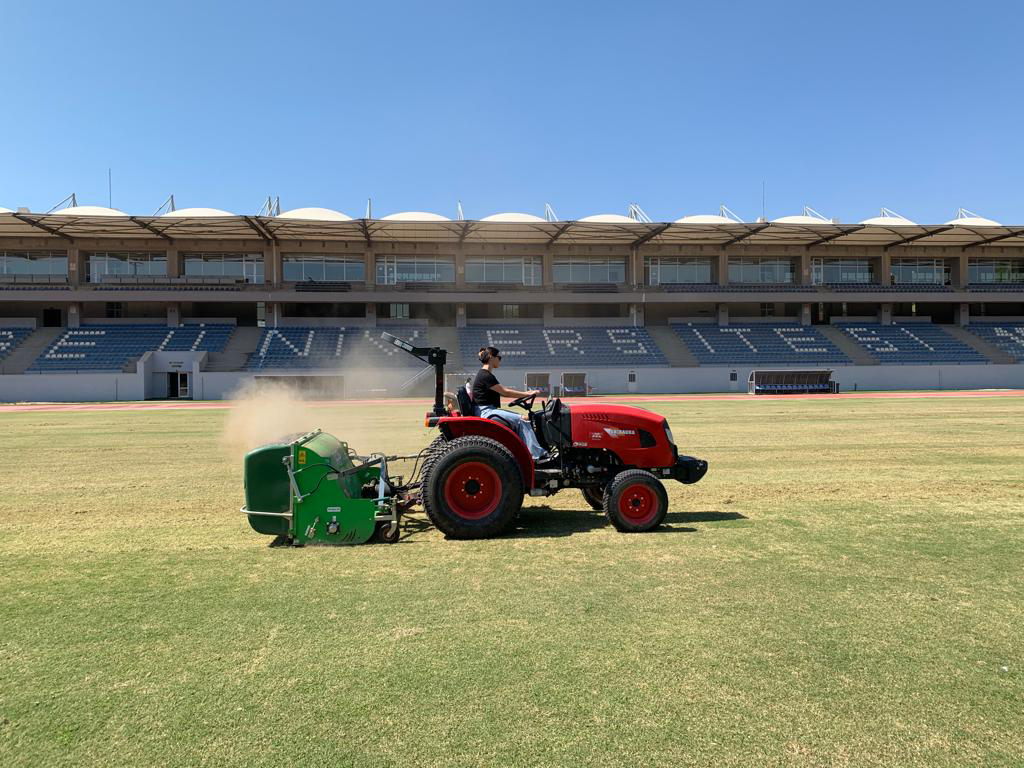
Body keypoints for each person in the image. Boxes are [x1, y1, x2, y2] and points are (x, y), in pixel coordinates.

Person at [472, 346, 549, 461]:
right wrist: (527, 393)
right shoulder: (485, 375)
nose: (500, 360)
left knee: (524, 418)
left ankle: (528, 452)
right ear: (491, 357)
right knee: (523, 419)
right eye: (499, 357)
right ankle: (538, 456)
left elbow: (504, 391)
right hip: (486, 412)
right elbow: (505, 392)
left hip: (487, 410)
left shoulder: (485, 374)